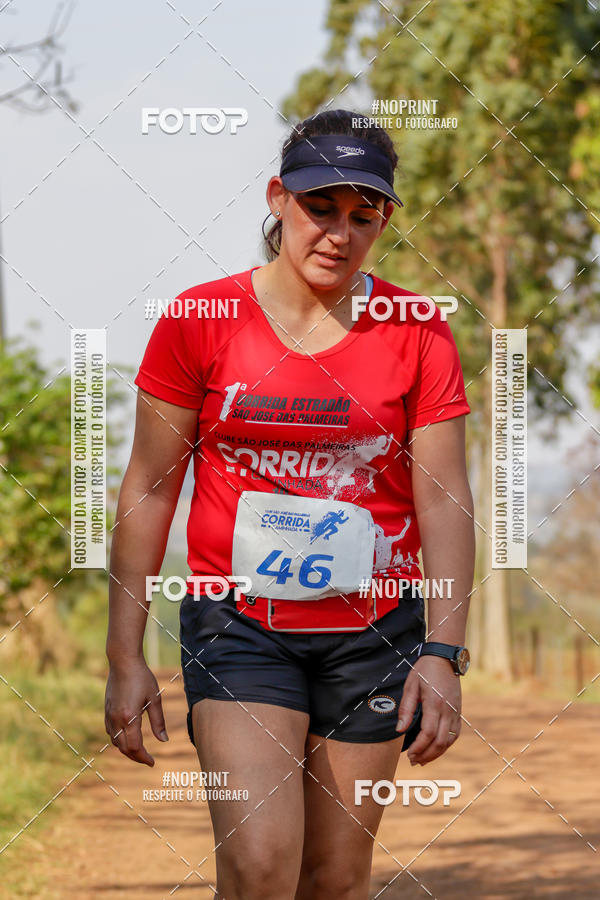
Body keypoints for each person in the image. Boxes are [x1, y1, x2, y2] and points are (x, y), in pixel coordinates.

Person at [105, 108, 475, 900]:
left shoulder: (417, 330)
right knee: (261, 865)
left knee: (334, 879)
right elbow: (150, 487)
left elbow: (444, 501)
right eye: (320, 207)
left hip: (375, 631)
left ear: (383, 222)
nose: (339, 233)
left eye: (362, 216)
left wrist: (442, 654)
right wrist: (124, 657)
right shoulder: (200, 320)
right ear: (279, 198)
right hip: (238, 626)